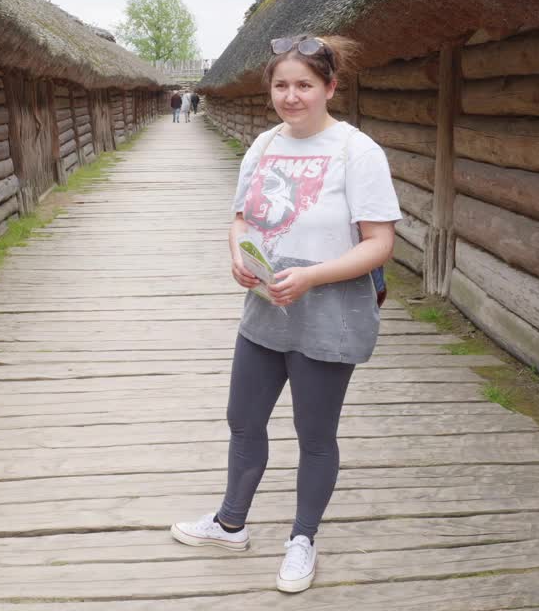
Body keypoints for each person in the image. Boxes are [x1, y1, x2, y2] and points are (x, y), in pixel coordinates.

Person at [170, 35, 401, 593]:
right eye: (281, 85)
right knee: (244, 419)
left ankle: (302, 539)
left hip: (330, 306)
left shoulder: (357, 152)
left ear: (329, 87)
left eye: (304, 85)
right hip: (266, 303)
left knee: (314, 433)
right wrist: (237, 257)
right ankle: (230, 523)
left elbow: (379, 244)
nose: (291, 96)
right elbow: (242, 220)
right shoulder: (265, 145)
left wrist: (314, 276)